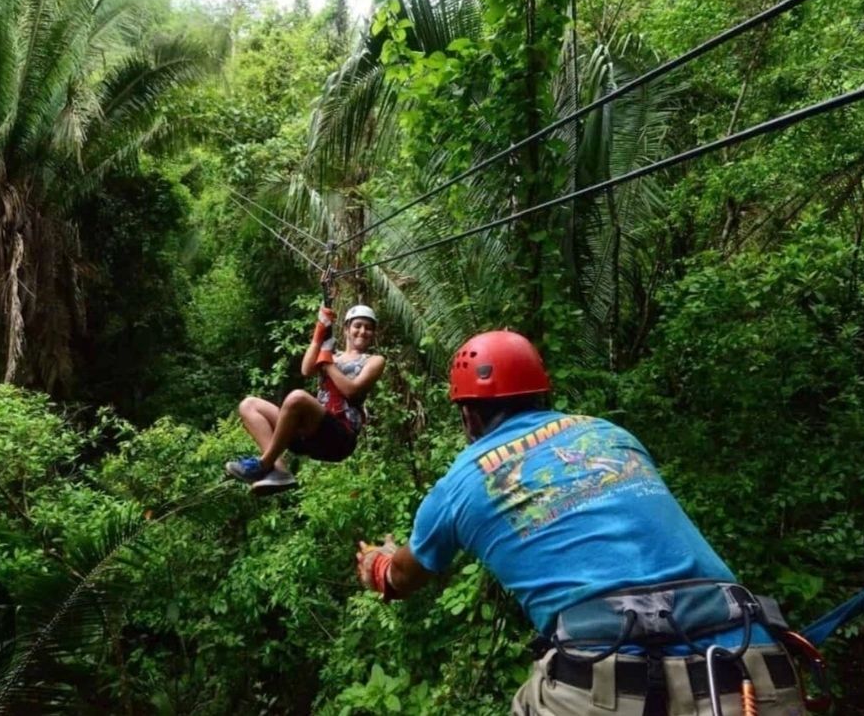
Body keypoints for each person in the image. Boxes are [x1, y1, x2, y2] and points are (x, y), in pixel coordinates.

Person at [356, 330, 808, 715]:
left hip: (602, 680)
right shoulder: (610, 434)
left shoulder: (463, 481)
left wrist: (378, 564)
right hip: (748, 665)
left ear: (468, 416)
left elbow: (402, 575)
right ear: (542, 394)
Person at [226, 304, 385, 496]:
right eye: (357, 325)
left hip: (340, 437)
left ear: (373, 334)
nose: (362, 331)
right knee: (249, 405)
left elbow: (352, 391)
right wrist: (320, 332)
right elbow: (306, 369)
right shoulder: (332, 355)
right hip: (312, 433)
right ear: (346, 329)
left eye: (368, 328)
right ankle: (279, 470)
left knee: (297, 398)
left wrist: (327, 363)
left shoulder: (374, 361)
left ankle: (263, 464)